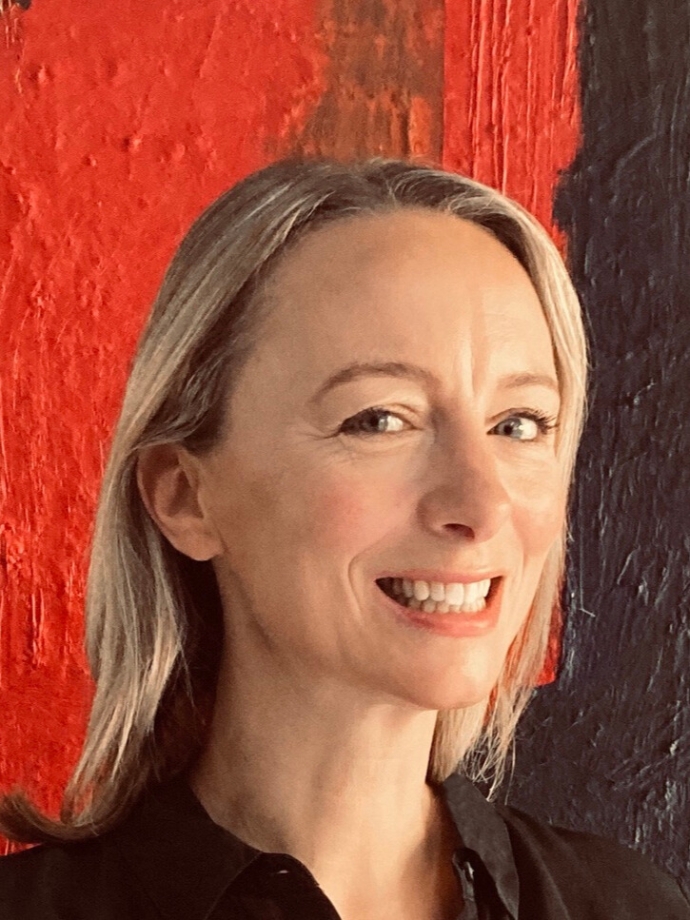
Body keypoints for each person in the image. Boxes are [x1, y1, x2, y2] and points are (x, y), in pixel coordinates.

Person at [0, 157, 687, 920]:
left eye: (518, 425)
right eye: (379, 419)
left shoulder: (629, 907)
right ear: (185, 495)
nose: (482, 504)